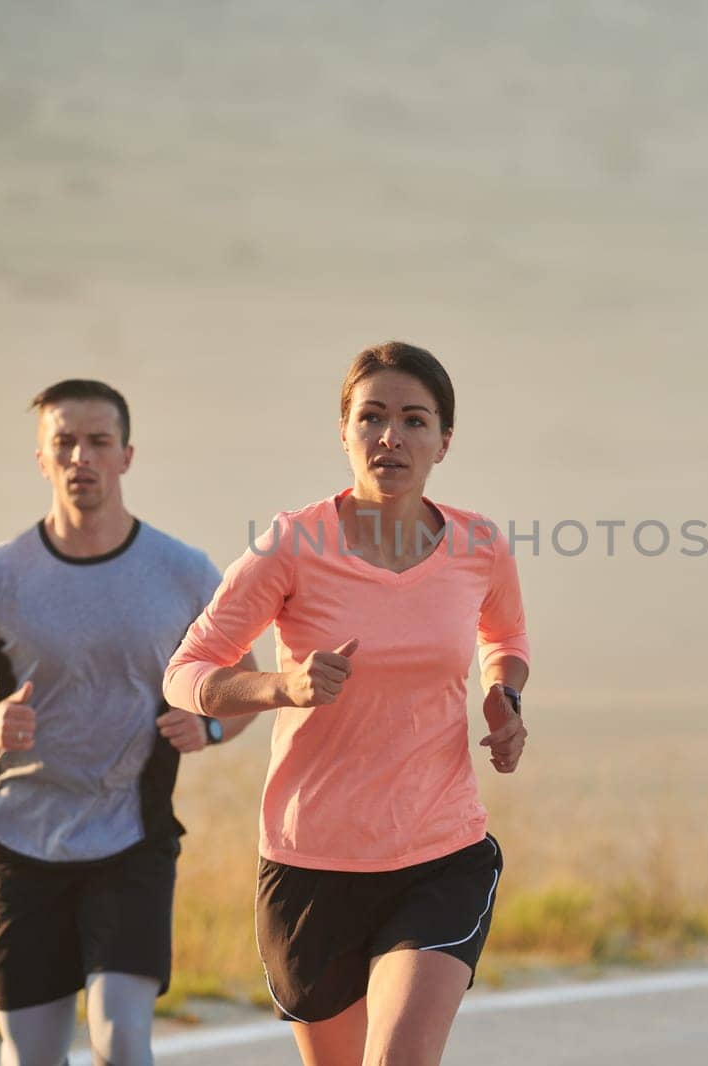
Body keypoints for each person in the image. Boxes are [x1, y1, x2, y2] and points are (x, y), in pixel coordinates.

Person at [163, 342, 530, 1066]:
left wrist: (504, 695)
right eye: (372, 417)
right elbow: (185, 672)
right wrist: (279, 687)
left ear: (443, 442)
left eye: (414, 420)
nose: (391, 436)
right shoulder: (292, 546)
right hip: (311, 862)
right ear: (345, 431)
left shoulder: (479, 544)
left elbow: (506, 633)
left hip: (440, 852)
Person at [0, 379, 252, 1066]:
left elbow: (245, 684)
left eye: (97, 442)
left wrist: (209, 727)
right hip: (21, 839)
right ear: (42, 458)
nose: (81, 458)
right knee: (33, 1055)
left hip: (132, 836)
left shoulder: (182, 573)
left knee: (122, 1040)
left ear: (127, 455)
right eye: (63, 443)